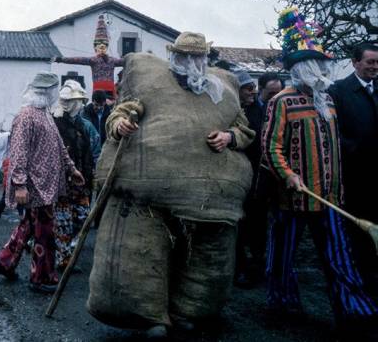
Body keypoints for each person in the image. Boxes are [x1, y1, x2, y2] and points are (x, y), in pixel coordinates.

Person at [87, 32, 255, 339]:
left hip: (206, 196)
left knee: (202, 258)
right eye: (184, 57)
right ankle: (151, 318)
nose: (190, 63)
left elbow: (243, 127)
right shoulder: (149, 79)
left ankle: (189, 311)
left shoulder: (223, 88)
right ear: (174, 56)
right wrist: (119, 124)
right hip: (150, 192)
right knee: (145, 253)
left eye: (196, 57)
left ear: (204, 59)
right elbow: (122, 111)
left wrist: (230, 137)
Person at [263, 8, 376, 338]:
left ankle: (356, 311)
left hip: (329, 199)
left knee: (341, 259)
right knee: (282, 259)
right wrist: (288, 176)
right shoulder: (282, 102)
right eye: (316, 64)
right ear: (301, 68)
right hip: (293, 199)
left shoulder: (328, 100)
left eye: (324, 63)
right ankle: (282, 307)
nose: (322, 69)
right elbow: (271, 149)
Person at [0, 71, 84, 294]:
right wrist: (20, 184)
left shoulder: (45, 114)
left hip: (47, 184)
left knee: (30, 225)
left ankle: (4, 262)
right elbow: (19, 152)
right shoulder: (26, 116)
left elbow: (59, 146)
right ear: (47, 92)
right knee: (44, 232)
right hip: (35, 186)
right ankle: (40, 278)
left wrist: (72, 169)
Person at [329, 43, 378, 294]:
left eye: (377, 63)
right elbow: (332, 133)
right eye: (370, 62)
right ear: (355, 62)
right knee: (358, 234)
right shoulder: (339, 91)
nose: (375, 67)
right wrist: (356, 148)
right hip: (355, 177)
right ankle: (360, 286)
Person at [52, 80, 96, 272]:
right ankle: (63, 258)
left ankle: (67, 250)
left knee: (83, 216)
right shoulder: (55, 123)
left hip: (81, 180)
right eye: (75, 101)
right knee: (63, 221)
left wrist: (90, 173)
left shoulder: (83, 124)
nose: (78, 105)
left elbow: (89, 151)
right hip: (62, 182)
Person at [233, 71, 266, 288]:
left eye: (252, 87)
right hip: (235, 175)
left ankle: (256, 265)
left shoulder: (259, 111)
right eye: (247, 88)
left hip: (257, 174)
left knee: (257, 223)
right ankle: (239, 266)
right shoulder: (231, 110)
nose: (252, 91)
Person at [54, 14, 124, 97]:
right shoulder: (95, 60)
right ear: (96, 48)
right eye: (99, 47)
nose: (102, 49)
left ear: (107, 47)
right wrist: (61, 59)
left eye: (104, 47)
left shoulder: (111, 60)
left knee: (107, 106)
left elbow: (124, 62)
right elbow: (77, 59)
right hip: (99, 88)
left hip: (106, 89)